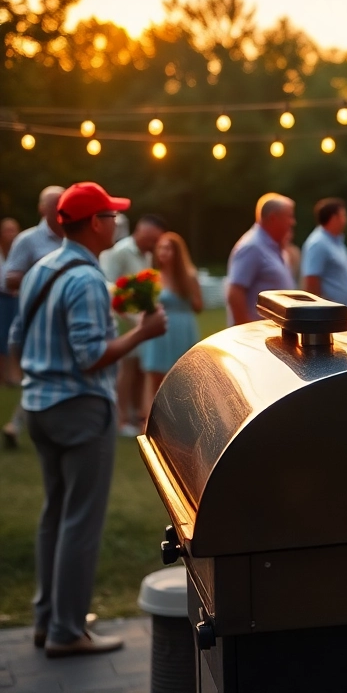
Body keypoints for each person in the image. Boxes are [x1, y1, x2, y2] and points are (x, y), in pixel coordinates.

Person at [7, 182, 166, 658]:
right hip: (80, 410)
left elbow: (17, 339)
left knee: (54, 515)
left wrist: (39, 374)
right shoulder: (87, 280)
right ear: (93, 223)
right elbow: (91, 357)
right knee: (80, 521)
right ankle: (67, 631)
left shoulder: (39, 270)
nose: (116, 222)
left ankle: (46, 621)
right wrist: (142, 334)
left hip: (39, 407)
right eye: (111, 216)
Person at [4, 186, 65, 444]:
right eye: (55, 206)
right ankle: (20, 425)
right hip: (36, 320)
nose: (60, 210)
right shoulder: (28, 240)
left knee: (50, 374)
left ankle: (18, 425)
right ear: (42, 209)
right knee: (39, 374)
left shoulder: (71, 237)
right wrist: (44, 277)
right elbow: (9, 279)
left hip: (65, 319)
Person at [99, 214, 167, 437]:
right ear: (139, 232)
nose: (152, 245)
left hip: (141, 319)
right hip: (122, 319)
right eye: (150, 239)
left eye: (155, 240)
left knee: (140, 369)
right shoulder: (121, 251)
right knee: (125, 371)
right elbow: (109, 285)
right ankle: (120, 420)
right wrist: (133, 318)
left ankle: (138, 414)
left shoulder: (146, 254)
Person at [139, 232, 202, 424]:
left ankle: (180, 423)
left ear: (177, 252)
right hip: (160, 331)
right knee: (155, 378)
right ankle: (151, 424)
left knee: (182, 378)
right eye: (161, 248)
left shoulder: (189, 277)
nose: (164, 252)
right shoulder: (152, 278)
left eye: (168, 248)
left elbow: (199, 305)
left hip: (183, 328)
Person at [226, 194, 296, 325]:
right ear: (274, 218)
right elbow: (235, 294)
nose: (293, 222)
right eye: (289, 216)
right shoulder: (252, 247)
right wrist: (246, 330)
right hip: (256, 337)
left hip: (271, 334)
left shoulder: (274, 246)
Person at [301, 198, 347, 314]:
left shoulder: (336, 242)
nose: (346, 219)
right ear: (334, 218)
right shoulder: (318, 243)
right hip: (327, 315)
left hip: (338, 313)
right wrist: (319, 313)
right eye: (343, 215)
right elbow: (311, 281)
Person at [1, 217, 20, 390]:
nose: (11, 234)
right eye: (8, 230)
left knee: (13, 336)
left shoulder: (19, 252)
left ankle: (12, 375)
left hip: (16, 298)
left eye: (14, 230)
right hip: (1, 298)